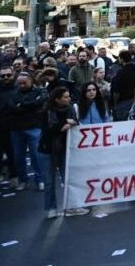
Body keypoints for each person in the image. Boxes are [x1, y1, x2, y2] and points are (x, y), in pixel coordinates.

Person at [39, 86, 89, 218]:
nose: (69, 99)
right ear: (57, 99)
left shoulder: (71, 108)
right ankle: (51, 208)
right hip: (48, 150)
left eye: (68, 96)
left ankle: (72, 206)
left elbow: (75, 123)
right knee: (49, 181)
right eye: (65, 97)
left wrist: (68, 124)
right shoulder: (47, 112)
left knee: (68, 178)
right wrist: (63, 125)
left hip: (65, 149)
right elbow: (47, 132)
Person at [7, 72, 47, 191]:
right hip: (17, 128)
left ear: (31, 80)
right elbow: (12, 107)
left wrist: (22, 105)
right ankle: (23, 180)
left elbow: (40, 102)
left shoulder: (39, 91)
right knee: (18, 157)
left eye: (24, 83)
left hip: (33, 126)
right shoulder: (14, 93)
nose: (22, 85)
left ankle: (40, 180)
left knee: (36, 156)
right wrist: (31, 105)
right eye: (20, 83)